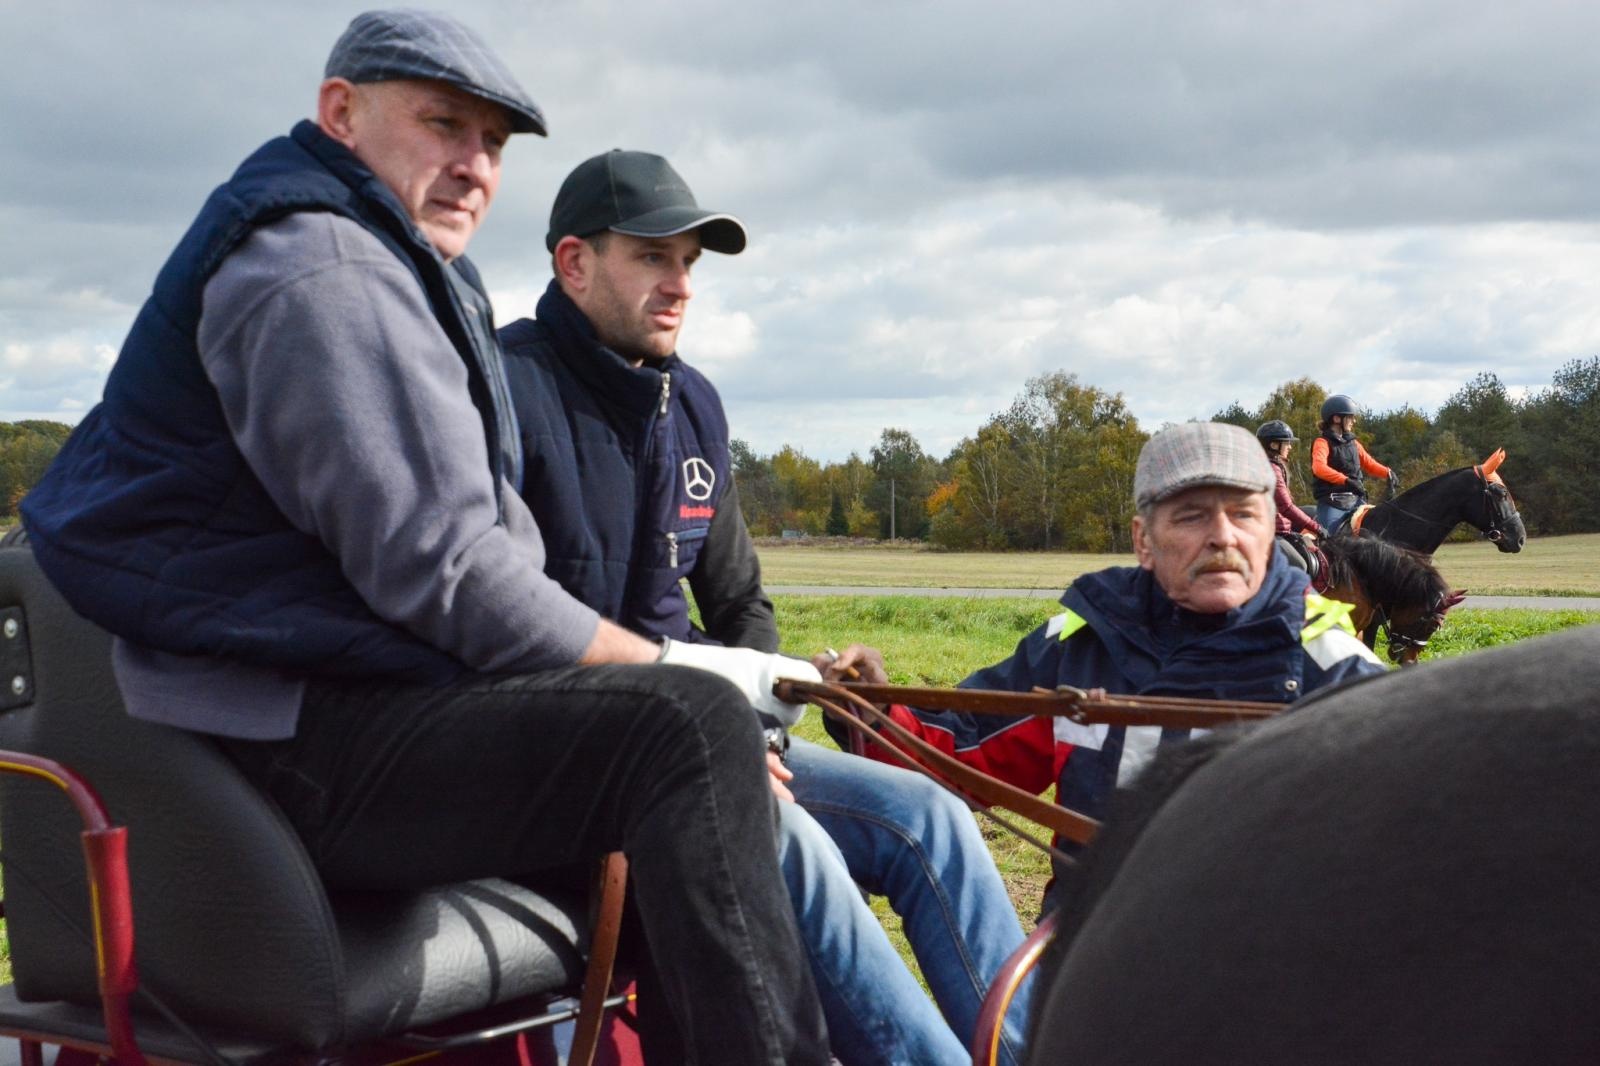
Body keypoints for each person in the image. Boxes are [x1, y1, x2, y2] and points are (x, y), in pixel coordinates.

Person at [18, 13, 831, 1065]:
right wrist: (685, 666)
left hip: (337, 712)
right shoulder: (322, 269)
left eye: (492, 144)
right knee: (686, 730)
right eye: (443, 123)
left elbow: (479, 551)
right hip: (287, 746)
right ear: (340, 113)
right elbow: (453, 575)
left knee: (676, 747)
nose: (472, 166)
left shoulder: (389, 260)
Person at [498, 149, 1033, 1066]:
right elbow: (508, 628)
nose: (679, 286)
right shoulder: (507, 391)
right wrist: (712, 746)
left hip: (717, 736)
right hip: (578, 760)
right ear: (573, 262)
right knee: (796, 853)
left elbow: (740, 601)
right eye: (652, 258)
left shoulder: (695, 404)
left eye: (688, 265)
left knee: (930, 819)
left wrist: (767, 726)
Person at [830, 421, 1388, 910]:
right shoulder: (1086, 642)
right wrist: (872, 709)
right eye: (1191, 517)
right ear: (1143, 541)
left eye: (1243, 514)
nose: (1222, 536)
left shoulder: (1331, 666)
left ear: (1270, 531)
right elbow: (965, 756)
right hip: (1087, 957)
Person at [1310, 393, 1398, 534]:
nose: (1354, 421)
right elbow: (1319, 468)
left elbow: (1369, 464)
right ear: (1337, 418)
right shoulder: (1322, 442)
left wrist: (1387, 472)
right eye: (1350, 417)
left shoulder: (1353, 443)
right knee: (1329, 536)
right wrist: (1345, 480)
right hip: (1332, 502)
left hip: (1357, 500)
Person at [1256, 419, 1323, 575]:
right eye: (1287, 443)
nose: (1290, 447)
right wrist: (1317, 527)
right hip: (1269, 533)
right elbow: (1286, 507)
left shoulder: (1274, 466)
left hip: (1278, 529)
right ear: (1274, 445)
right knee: (1299, 566)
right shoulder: (1271, 470)